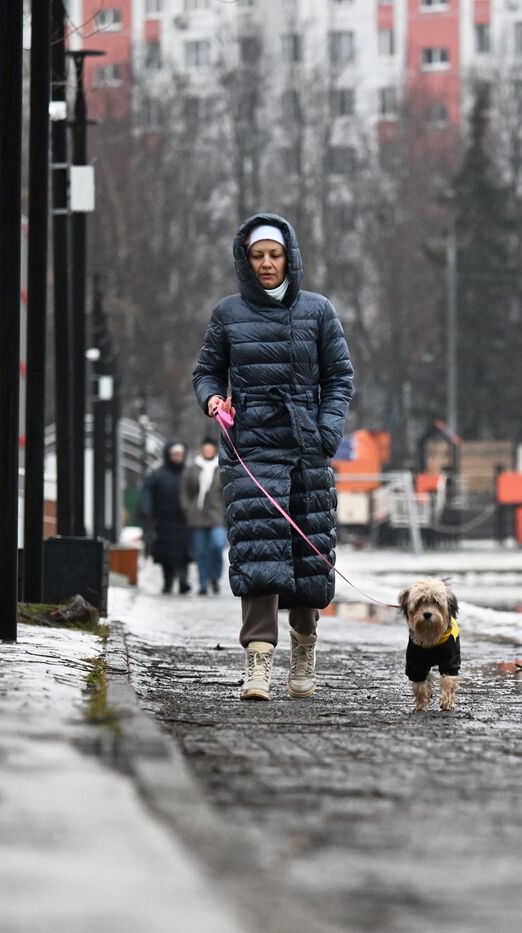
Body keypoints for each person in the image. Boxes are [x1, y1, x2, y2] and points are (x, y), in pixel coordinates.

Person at [192, 214, 354, 701]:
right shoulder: (227, 314)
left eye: (274, 254)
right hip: (252, 449)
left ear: (289, 258)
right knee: (259, 554)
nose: (266, 264)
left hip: (307, 449)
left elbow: (340, 378)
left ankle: (304, 652)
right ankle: (258, 663)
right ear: (246, 259)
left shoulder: (318, 311)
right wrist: (212, 401)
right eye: (257, 255)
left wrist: (326, 432)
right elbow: (206, 372)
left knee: (309, 558)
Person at [140, 441, 193, 594]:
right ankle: (168, 582)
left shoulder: (188, 473)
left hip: (184, 521)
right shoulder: (157, 475)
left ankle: (183, 581)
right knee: (166, 556)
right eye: (175, 454)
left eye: (180, 455)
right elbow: (147, 493)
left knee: (184, 554)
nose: (178, 457)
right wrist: (147, 511)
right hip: (163, 521)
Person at [180, 436, 227, 595]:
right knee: (200, 551)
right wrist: (187, 508)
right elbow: (184, 490)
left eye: (210, 448)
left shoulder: (221, 467)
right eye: (205, 448)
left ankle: (215, 577)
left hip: (217, 515)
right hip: (197, 516)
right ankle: (203, 584)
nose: (207, 450)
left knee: (217, 545)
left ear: (215, 449)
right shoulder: (192, 468)